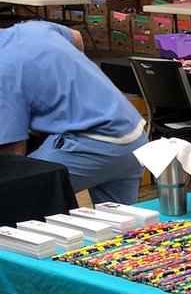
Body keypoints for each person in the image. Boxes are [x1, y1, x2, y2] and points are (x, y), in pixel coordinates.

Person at [0, 20, 147, 202]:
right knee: (121, 224)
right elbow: (76, 37)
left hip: (92, 145)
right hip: (134, 134)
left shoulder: (3, 73)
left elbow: (13, 155)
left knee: (14, 193)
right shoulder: (34, 30)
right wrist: (77, 89)